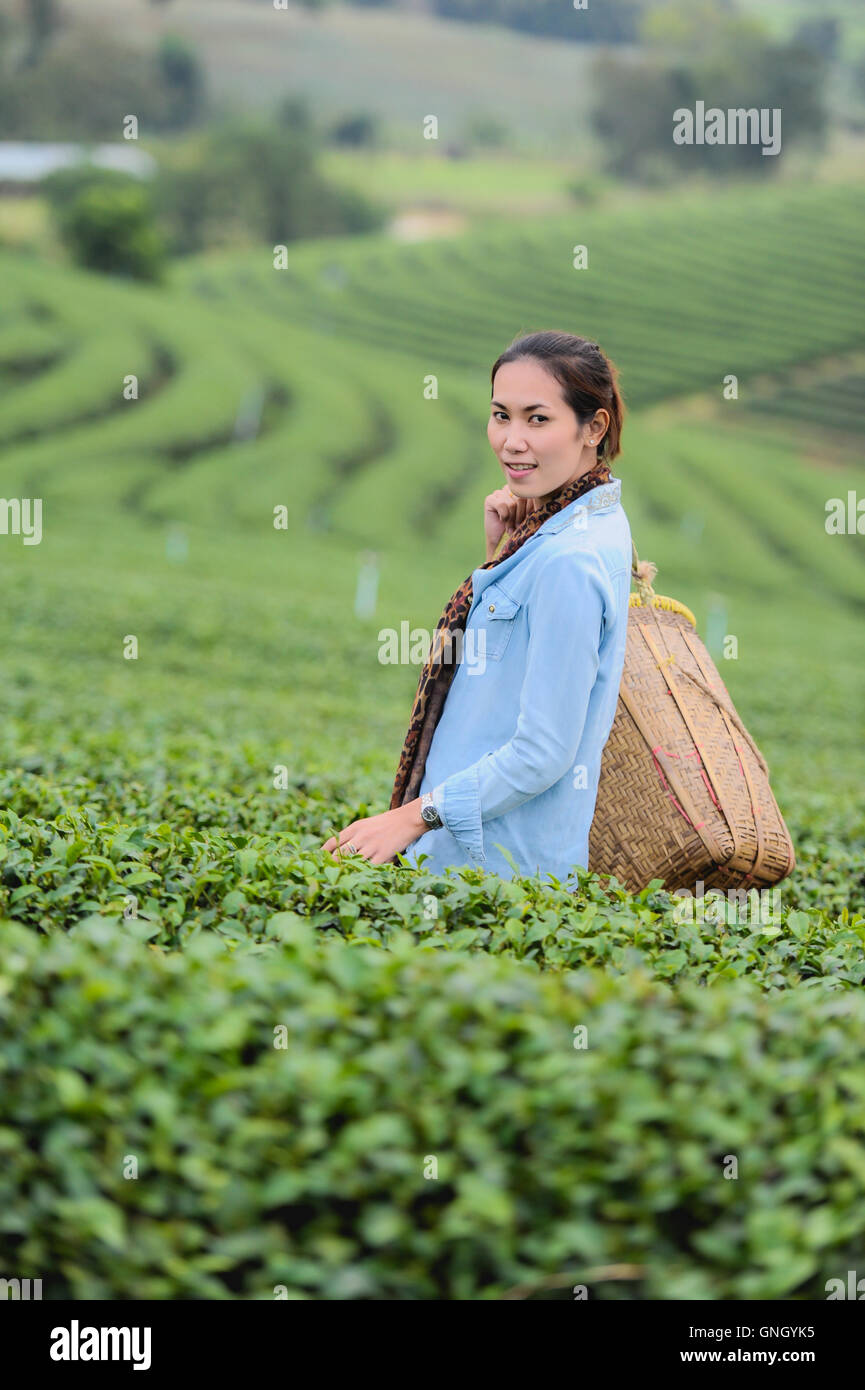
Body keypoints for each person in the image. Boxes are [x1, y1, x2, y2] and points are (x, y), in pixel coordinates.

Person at [322, 330, 632, 885]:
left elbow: (543, 752)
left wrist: (410, 818)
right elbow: (497, 676)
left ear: (594, 427)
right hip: (476, 862)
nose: (512, 441)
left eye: (538, 419)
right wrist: (500, 554)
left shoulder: (569, 560)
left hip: (497, 874)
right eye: (501, 415)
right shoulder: (580, 521)